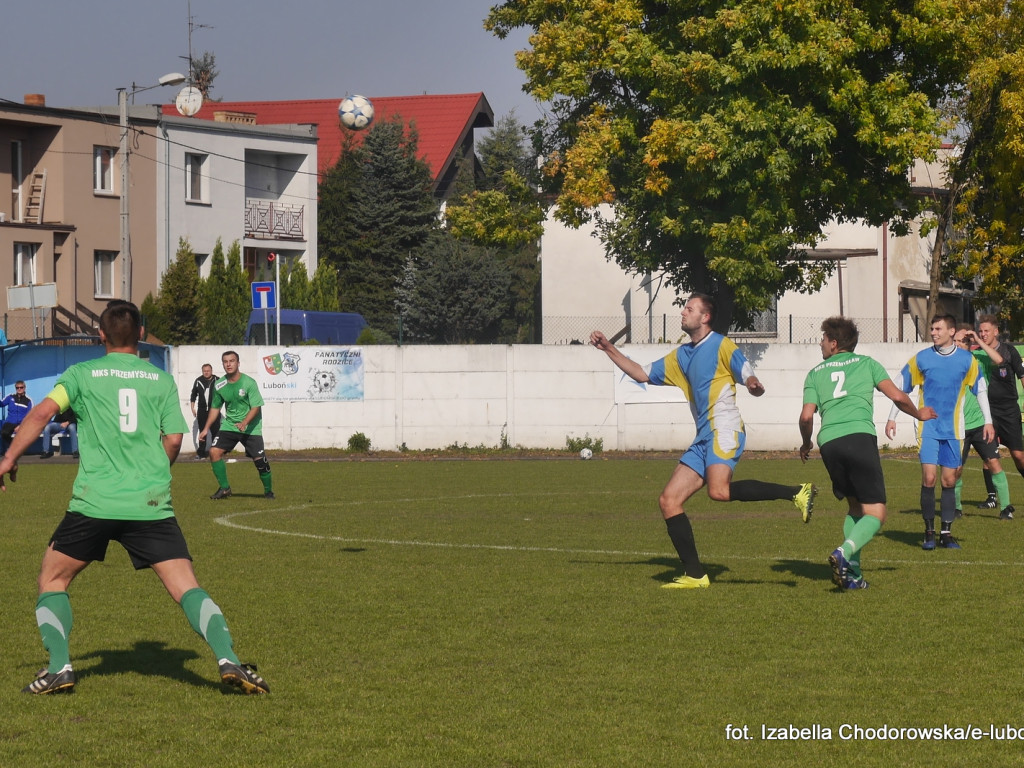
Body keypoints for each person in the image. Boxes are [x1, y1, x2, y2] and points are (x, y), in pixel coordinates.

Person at [0, 301, 269, 695]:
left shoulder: (80, 374)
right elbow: (174, 438)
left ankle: (60, 668)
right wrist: (153, 475)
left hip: (94, 503)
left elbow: (41, 413)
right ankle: (229, 659)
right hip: (149, 504)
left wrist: (8, 457)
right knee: (186, 586)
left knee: (53, 580)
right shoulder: (159, 380)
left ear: (100, 336)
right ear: (142, 334)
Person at [590, 293, 816, 589]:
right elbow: (642, 374)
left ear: (705, 317)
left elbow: (745, 370)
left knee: (719, 492)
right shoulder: (681, 355)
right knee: (669, 501)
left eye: (689, 308)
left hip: (725, 428)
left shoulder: (721, 344)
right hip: (703, 436)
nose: (683, 313)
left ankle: (797, 492)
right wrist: (609, 348)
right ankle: (696, 575)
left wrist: (751, 383)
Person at [799, 317, 936, 590]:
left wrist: (806, 443)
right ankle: (844, 552)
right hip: (859, 437)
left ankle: (854, 575)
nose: (820, 343)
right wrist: (919, 413)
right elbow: (897, 396)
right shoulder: (867, 364)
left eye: (823, 338)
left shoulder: (815, 373)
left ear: (834, 343)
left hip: (829, 443)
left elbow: (806, 416)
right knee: (877, 513)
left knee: (855, 507)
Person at [885, 314, 994, 550]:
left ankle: (946, 533)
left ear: (951, 331)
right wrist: (891, 418)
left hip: (954, 430)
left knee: (949, 480)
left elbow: (981, 390)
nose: (933, 332)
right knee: (929, 478)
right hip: (928, 428)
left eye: (938, 328)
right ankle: (929, 533)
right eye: (932, 329)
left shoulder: (967, 360)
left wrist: (988, 421)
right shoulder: (922, 359)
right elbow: (899, 389)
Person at [953, 326, 1012, 519]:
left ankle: (1006, 508)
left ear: (969, 345)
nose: (956, 344)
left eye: (960, 341)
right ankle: (956, 508)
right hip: (958, 425)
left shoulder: (979, 360)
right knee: (956, 469)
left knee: (994, 463)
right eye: (954, 340)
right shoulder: (947, 363)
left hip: (980, 424)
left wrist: (977, 339)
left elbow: (1000, 360)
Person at [199, 350, 274, 500]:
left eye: (232, 361)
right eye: (226, 362)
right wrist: (205, 429)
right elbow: (215, 408)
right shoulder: (220, 385)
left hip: (251, 427)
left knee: (260, 461)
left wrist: (245, 422)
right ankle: (225, 489)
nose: (229, 364)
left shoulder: (249, 383)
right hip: (230, 425)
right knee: (214, 452)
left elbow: (256, 407)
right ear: (223, 365)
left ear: (238, 363)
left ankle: (268, 491)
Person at [973, 315, 1024, 513]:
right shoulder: (977, 353)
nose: (983, 334)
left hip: (1009, 411)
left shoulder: (1008, 351)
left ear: (996, 332)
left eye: (986, 331)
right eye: (981, 331)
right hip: (988, 411)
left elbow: (1022, 376)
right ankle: (992, 497)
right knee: (989, 455)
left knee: (1018, 455)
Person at [190, 363, 220, 460]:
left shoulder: (218, 380)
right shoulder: (198, 381)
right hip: (202, 410)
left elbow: (224, 394)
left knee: (215, 431)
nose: (206, 372)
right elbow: (193, 394)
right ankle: (201, 453)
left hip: (214, 410)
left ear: (212, 371)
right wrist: (192, 407)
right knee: (202, 432)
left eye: (208, 371)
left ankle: (216, 452)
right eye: (204, 371)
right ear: (202, 371)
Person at [1, 380, 33, 455]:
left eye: (21, 387)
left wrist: (20, 426)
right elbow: (1, 404)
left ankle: (17, 450)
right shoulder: (10, 397)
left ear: (24, 388)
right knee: (4, 433)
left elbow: (30, 416)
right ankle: (15, 448)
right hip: (10, 422)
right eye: (17, 387)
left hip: (22, 423)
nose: (19, 389)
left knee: (23, 434)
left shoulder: (28, 400)